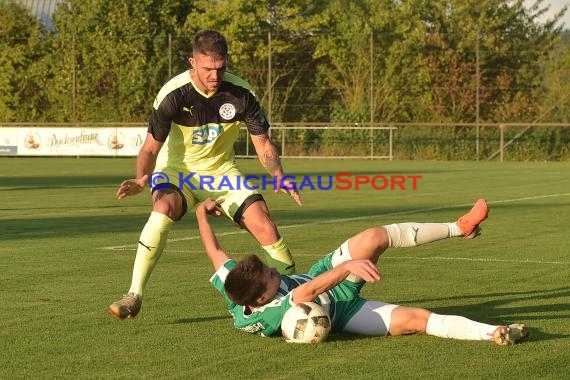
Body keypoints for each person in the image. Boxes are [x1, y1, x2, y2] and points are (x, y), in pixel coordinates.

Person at [109, 29, 301, 320]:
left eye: (220, 67)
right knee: (163, 208)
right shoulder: (173, 95)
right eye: (208, 68)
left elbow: (263, 145)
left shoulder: (242, 94)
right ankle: (134, 295)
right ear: (192, 63)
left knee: (265, 225)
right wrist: (140, 178)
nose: (214, 74)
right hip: (177, 172)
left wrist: (278, 173)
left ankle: (295, 295)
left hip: (222, 173)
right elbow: (149, 149)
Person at [197, 198, 527, 345]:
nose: (275, 271)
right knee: (415, 320)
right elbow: (307, 293)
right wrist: (348, 267)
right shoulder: (270, 314)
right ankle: (493, 332)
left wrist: (201, 212)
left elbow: (215, 252)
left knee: (374, 237)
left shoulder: (235, 287)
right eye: (272, 276)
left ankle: (459, 227)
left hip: (322, 272)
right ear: (265, 296)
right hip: (341, 312)